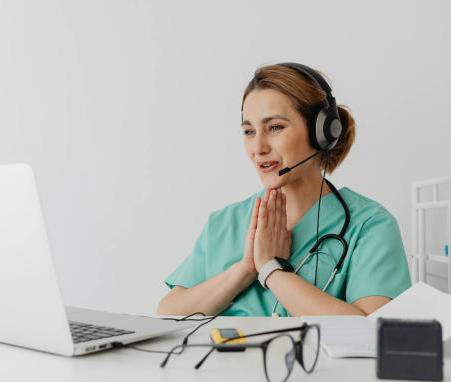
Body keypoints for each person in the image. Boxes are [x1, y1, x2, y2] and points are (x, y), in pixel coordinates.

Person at [157, 62, 411, 317]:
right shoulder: (224, 224)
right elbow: (168, 313)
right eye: (248, 131)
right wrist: (245, 269)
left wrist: (271, 270)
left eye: (275, 127)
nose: (258, 147)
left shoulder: (369, 225)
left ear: (321, 133)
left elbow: (373, 334)